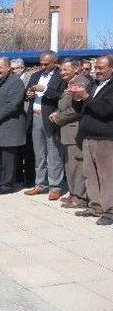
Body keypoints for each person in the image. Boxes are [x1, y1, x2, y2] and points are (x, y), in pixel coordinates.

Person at [68, 55, 113, 226]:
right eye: (96, 67)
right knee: (90, 175)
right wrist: (76, 97)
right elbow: (82, 109)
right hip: (88, 137)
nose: (97, 71)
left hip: (105, 139)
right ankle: (95, 207)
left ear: (111, 68)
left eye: (101, 68)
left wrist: (85, 96)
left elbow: (105, 111)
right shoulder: (93, 84)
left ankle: (109, 211)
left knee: (107, 176)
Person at [24, 51, 65, 200]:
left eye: (46, 64)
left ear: (54, 62)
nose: (43, 66)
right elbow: (27, 92)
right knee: (39, 154)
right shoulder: (35, 75)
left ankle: (55, 187)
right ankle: (40, 184)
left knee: (53, 154)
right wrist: (28, 94)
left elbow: (61, 95)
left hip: (50, 118)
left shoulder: (60, 76)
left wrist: (45, 90)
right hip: (35, 117)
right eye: (41, 63)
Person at [0, 57, 27, 195]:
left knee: (8, 158)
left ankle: (7, 185)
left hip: (9, 125)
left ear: (8, 67)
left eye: (0, 68)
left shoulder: (16, 82)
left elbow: (12, 105)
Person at [49, 62, 87, 209]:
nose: (62, 72)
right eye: (61, 69)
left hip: (75, 131)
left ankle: (80, 197)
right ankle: (73, 193)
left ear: (76, 69)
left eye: (66, 69)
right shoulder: (69, 84)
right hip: (66, 131)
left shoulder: (81, 82)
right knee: (69, 165)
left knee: (77, 166)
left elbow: (76, 109)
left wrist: (59, 117)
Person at [11, 58, 36, 187]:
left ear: (21, 68)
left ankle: (30, 177)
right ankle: (18, 175)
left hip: (28, 116)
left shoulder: (30, 78)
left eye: (14, 68)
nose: (13, 71)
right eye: (11, 69)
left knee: (29, 149)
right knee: (17, 148)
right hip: (15, 118)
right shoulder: (11, 80)